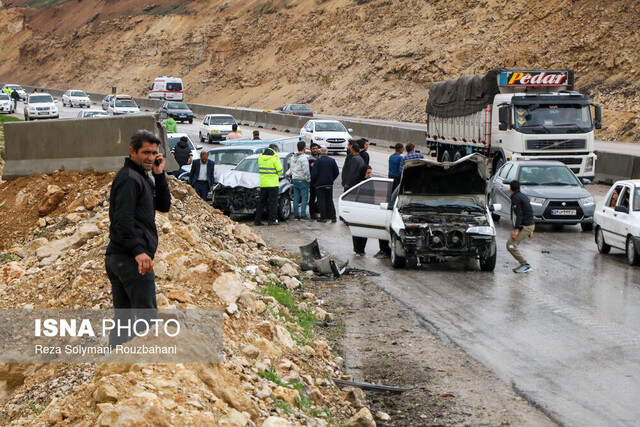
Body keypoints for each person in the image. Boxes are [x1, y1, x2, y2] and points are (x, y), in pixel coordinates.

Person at [105, 130, 171, 347]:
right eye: (146, 153)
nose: (150, 157)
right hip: (130, 259)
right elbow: (122, 221)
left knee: (123, 319)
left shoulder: (141, 176)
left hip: (122, 257)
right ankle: (146, 366)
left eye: (154, 153)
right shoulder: (129, 179)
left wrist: (159, 175)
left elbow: (163, 206)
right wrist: (139, 252)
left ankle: (115, 366)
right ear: (132, 152)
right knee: (147, 319)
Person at [507, 180, 535, 273]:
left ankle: (525, 265)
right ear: (519, 188)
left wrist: (516, 230)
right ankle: (524, 264)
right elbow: (529, 211)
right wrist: (531, 230)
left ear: (510, 188)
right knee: (512, 245)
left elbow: (520, 214)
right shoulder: (524, 196)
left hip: (525, 226)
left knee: (511, 245)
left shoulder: (516, 198)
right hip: (529, 225)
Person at [254, 144, 283, 226]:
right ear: (275, 149)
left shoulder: (260, 158)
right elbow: (280, 170)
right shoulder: (274, 158)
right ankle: (272, 220)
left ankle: (257, 220)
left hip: (263, 184)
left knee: (261, 202)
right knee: (273, 202)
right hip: (273, 184)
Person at [311, 146, 339, 223]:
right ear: (327, 152)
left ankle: (323, 217)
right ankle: (333, 217)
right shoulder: (332, 161)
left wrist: (314, 181)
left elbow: (314, 173)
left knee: (321, 201)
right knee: (329, 200)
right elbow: (336, 172)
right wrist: (331, 179)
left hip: (319, 184)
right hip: (329, 184)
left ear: (320, 152)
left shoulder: (317, 161)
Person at [291, 140, 311, 220]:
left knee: (296, 197)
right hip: (302, 180)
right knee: (304, 197)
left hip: (295, 179)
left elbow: (291, 168)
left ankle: (296, 215)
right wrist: (308, 179)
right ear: (304, 148)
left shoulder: (293, 157)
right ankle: (303, 214)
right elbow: (306, 170)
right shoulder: (304, 158)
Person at [308, 142, 321, 218]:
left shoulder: (320, 158)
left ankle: (318, 209)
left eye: (316, 148)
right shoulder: (309, 159)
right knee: (312, 197)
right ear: (311, 150)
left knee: (320, 197)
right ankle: (312, 213)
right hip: (313, 181)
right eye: (313, 149)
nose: (315, 150)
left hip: (320, 181)